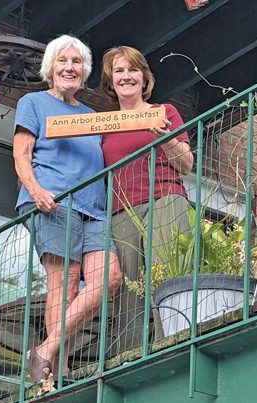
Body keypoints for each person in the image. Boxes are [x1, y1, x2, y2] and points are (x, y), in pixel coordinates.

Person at [13, 34, 122, 384]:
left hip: (96, 209)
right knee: (66, 283)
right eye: (63, 61)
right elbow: (21, 154)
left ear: (84, 71)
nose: (70, 67)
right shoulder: (34, 103)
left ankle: (45, 351)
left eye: (76, 62)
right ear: (50, 67)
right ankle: (55, 374)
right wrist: (35, 189)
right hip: (54, 202)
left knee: (109, 277)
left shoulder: (93, 117)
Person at [99, 46, 194, 353]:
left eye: (133, 69)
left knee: (167, 276)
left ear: (144, 77)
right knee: (129, 292)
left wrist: (165, 138)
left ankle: (175, 347)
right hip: (120, 212)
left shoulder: (163, 112)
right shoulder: (103, 125)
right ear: (110, 81)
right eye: (119, 71)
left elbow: (187, 164)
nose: (126, 76)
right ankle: (127, 360)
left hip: (164, 199)